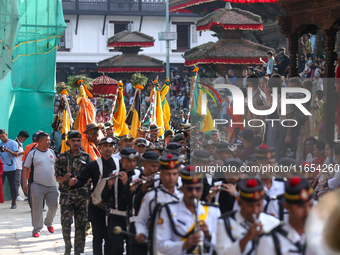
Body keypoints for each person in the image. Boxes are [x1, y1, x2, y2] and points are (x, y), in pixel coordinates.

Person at [156, 165, 221, 255]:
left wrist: (209, 235)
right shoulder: (168, 210)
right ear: (182, 189)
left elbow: (223, 245)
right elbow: (160, 245)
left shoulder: (213, 210)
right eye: (189, 189)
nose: (194, 193)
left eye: (198, 189)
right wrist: (184, 245)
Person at [69, 137, 117, 255]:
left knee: (110, 238)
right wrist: (73, 183)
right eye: (105, 146)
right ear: (99, 148)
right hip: (97, 207)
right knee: (98, 237)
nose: (108, 149)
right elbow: (81, 180)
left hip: (113, 207)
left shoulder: (118, 164)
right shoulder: (93, 165)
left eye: (110, 146)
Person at [216, 178, 280, 255]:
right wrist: (247, 237)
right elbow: (223, 253)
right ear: (239, 202)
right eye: (250, 206)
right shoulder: (225, 223)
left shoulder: (274, 223)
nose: (255, 210)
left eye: (259, 205)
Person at [55, 131, 92, 255]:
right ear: (69, 141)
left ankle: (78, 251)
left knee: (81, 225)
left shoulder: (87, 157)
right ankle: (67, 246)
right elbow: (57, 177)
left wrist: (81, 180)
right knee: (65, 223)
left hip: (82, 196)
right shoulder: (61, 157)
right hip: (66, 195)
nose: (76, 143)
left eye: (78, 140)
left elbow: (91, 176)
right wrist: (65, 178)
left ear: (81, 141)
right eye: (73, 141)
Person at [256, 177, 314, 255]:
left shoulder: (318, 237)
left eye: (310, 205)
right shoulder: (270, 242)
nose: (307, 212)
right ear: (286, 206)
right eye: (300, 206)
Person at [102, 147, 140, 255]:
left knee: (132, 249)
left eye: (134, 161)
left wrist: (126, 184)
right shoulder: (115, 174)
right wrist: (109, 186)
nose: (132, 164)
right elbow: (104, 198)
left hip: (133, 218)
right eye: (129, 161)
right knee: (117, 249)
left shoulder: (139, 175)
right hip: (116, 217)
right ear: (121, 161)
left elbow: (138, 198)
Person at [22, 132, 59, 237]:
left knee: (54, 205)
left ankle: (48, 222)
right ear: (40, 141)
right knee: (37, 207)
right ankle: (36, 229)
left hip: (52, 185)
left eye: (49, 140)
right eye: (47, 140)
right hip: (37, 185)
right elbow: (25, 168)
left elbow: (56, 167)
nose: (49, 142)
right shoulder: (32, 153)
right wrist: (25, 183)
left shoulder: (51, 152)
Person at [0, 129, 19, 209]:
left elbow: (16, 154)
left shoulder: (13, 143)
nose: (1, 138)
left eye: (3, 136)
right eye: (0, 137)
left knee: (12, 186)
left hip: (11, 169)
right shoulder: (0, 144)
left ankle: (14, 202)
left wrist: (7, 150)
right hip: (2, 169)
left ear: (6, 134)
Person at [14, 131, 29, 201]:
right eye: (24, 139)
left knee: (23, 180)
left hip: (21, 165)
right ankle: (16, 195)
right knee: (17, 181)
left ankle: (27, 195)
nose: (24, 140)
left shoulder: (20, 143)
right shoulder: (15, 143)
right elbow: (15, 154)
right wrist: (24, 152)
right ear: (20, 137)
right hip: (16, 165)